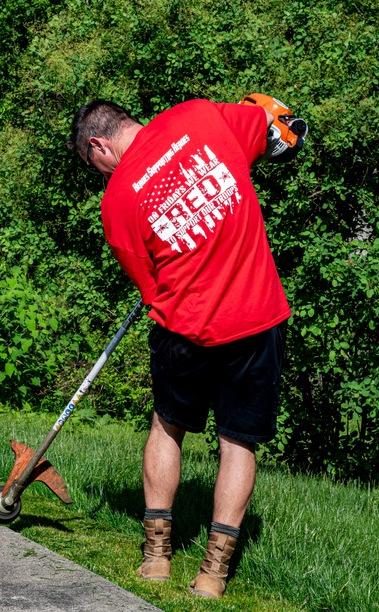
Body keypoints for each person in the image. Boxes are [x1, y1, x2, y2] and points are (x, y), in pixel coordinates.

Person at [68, 97, 302, 598]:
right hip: (256, 317)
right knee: (237, 442)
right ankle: (214, 575)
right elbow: (268, 122)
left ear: (99, 144)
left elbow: (150, 289)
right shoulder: (201, 116)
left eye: (95, 166)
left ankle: (156, 558)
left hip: (187, 330)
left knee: (167, 427)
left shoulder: (117, 202)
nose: (101, 174)